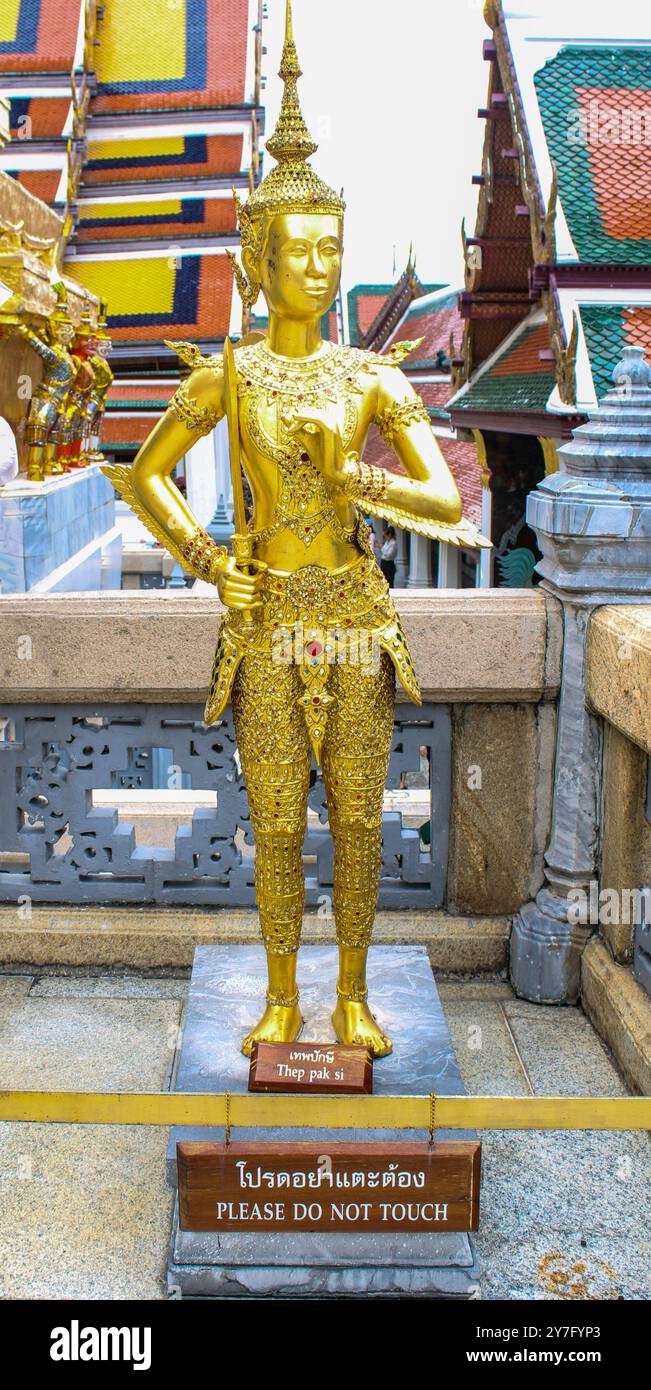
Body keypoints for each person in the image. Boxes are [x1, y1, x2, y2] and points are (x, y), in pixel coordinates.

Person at [103, 0, 486, 1057]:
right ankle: (281, 996)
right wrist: (208, 562)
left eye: (330, 249)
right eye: (297, 250)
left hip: (356, 619)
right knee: (276, 821)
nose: (316, 267)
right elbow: (145, 475)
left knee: (359, 817)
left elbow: (450, 503)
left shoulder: (371, 377)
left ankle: (353, 995)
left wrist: (351, 479)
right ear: (258, 260)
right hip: (267, 618)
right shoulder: (229, 374)